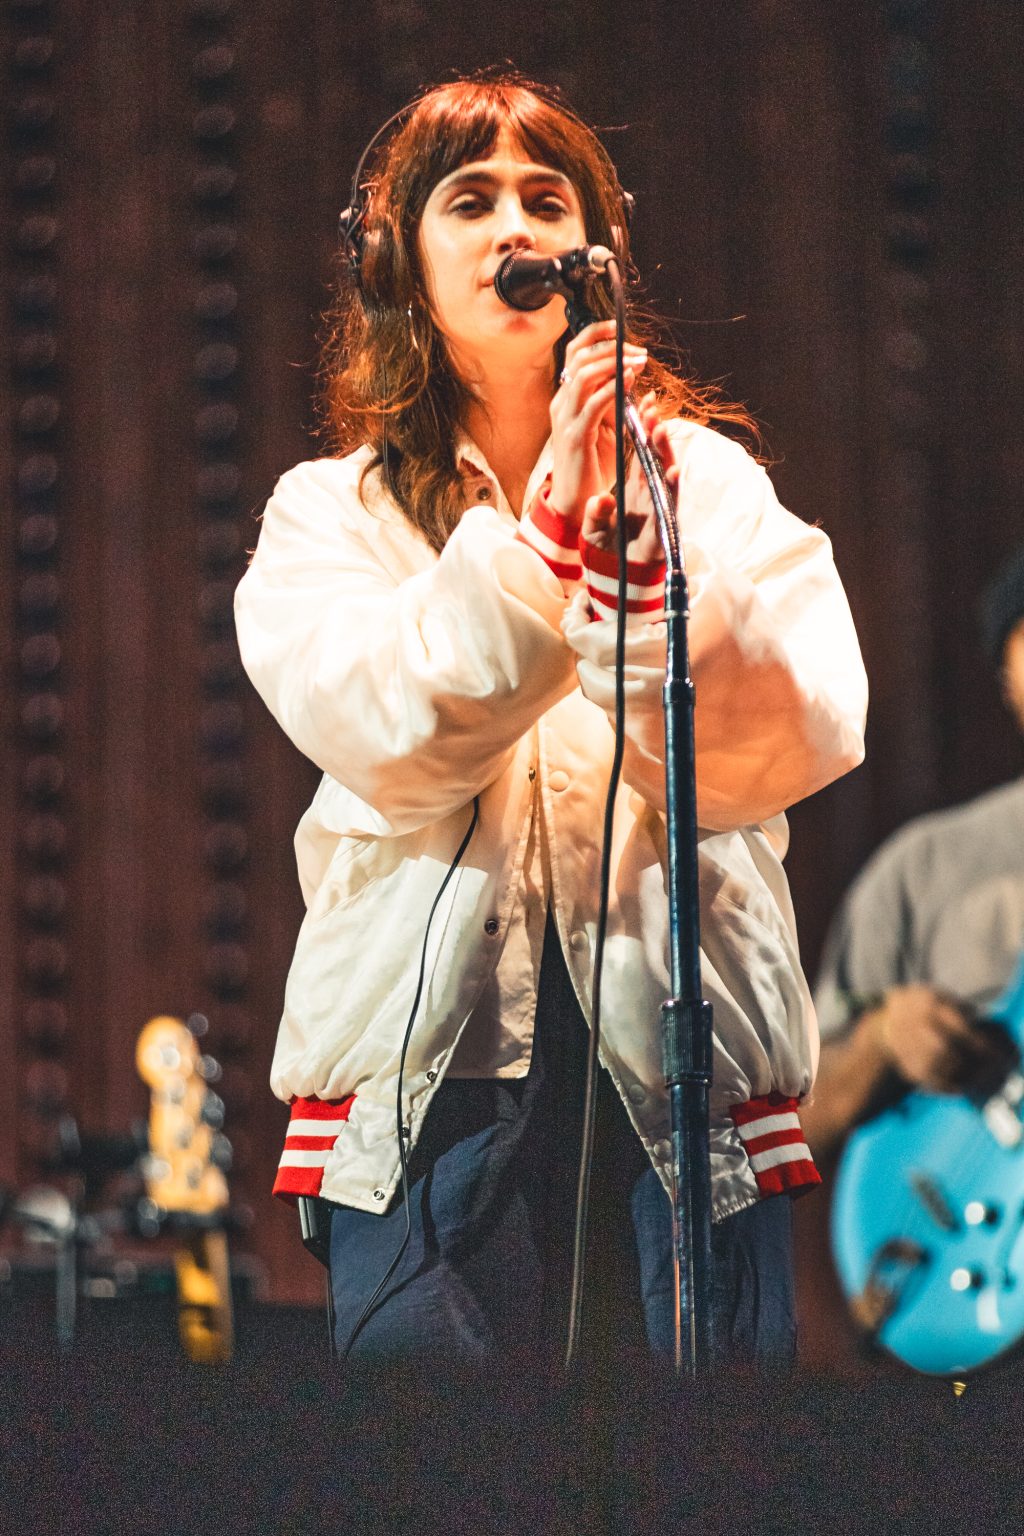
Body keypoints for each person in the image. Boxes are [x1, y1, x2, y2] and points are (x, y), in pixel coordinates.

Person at [234, 74, 867, 1369]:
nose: (515, 228)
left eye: (545, 197)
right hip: (429, 1097)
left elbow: (803, 729)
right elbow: (390, 731)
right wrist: (547, 552)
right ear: (396, 259)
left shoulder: (708, 486)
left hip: (678, 1089)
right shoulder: (331, 512)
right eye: (470, 200)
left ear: (596, 254)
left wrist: (638, 576)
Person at [806, 544, 1024, 1160]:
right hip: (963, 1235)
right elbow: (793, 1121)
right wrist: (881, 1043)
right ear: (1007, 679)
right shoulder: (921, 871)